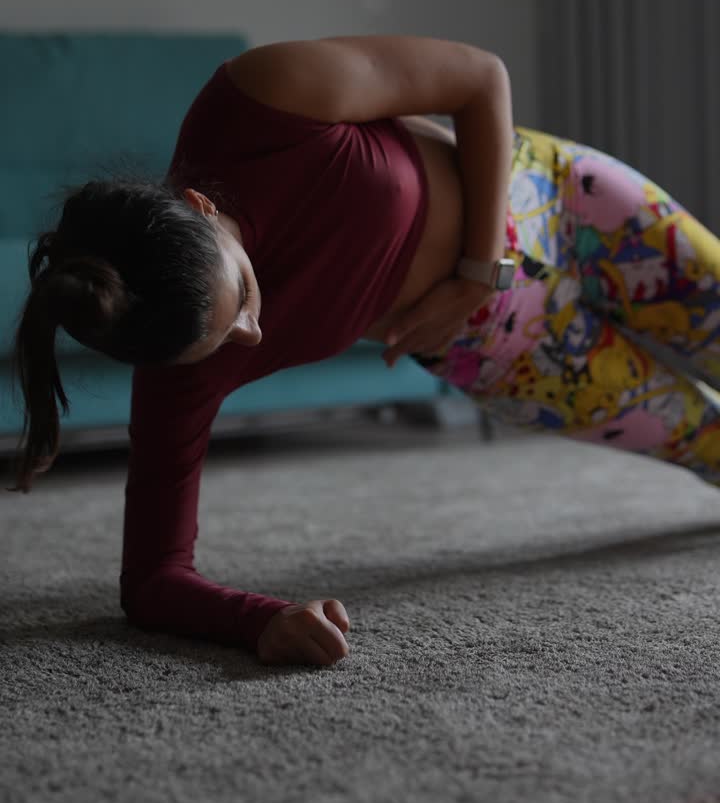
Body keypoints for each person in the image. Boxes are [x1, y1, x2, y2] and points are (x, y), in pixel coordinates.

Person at [9, 36, 720, 668]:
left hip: (557, 197)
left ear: (198, 204)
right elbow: (152, 583)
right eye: (222, 343)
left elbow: (479, 77)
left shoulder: (256, 102)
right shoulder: (178, 364)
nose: (253, 338)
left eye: (245, 300)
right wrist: (262, 620)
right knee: (704, 440)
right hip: (508, 347)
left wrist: (476, 274)